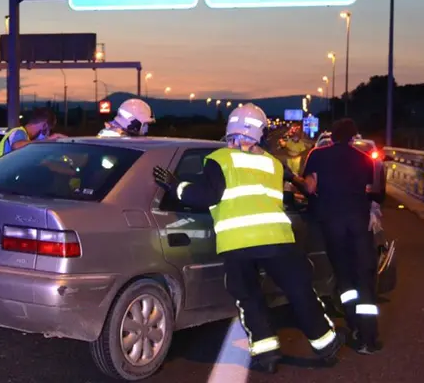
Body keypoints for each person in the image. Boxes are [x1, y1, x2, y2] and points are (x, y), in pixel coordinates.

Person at [152, 103, 342, 373]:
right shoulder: (273, 164)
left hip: (238, 242)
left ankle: (266, 354)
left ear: (230, 130)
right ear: (260, 133)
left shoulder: (221, 160)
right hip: (277, 239)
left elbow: (206, 196)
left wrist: (175, 185)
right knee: (299, 291)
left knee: (249, 297)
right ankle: (327, 344)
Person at [302, 118, 382, 355]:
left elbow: (310, 188)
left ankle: (353, 325)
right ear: (353, 137)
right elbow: (369, 191)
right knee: (364, 277)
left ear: (332, 136)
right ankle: (369, 338)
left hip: (332, 223)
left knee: (344, 278)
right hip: (359, 224)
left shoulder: (317, 155)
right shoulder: (365, 159)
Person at [0, 107, 65, 163]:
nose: (48, 134)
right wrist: (47, 140)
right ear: (44, 126)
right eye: (49, 130)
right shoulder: (19, 132)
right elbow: (17, 145)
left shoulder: (26, 138)